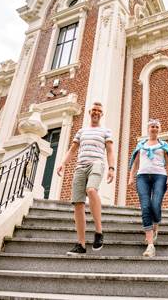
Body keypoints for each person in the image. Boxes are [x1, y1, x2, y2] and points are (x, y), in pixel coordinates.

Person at [56, 102, 115, 255]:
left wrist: (111, 168)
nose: (96, 112)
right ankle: (81, 245)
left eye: (99, 111)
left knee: (91, 190)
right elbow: (72, 150)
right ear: (90, 112)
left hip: (96, 164)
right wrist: (62, 163)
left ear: (102, 114)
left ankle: (99, 232)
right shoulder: (81, 131)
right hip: (80, 167)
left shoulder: (105, 131)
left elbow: (109, 151)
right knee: (78, 204)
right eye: (94, 110)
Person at [128, 119, 168, 257]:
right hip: (142, 177)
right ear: (148, 129)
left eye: (156, 127)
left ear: (159, 129)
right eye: (152, 127)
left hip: (159, 176)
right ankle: (150, 245)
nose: (154, 129)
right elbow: (136, 162)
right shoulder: (141, 145)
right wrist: (131, 177)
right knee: (145, 206)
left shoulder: (163, 145)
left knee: (155, 204)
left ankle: (156, 225)